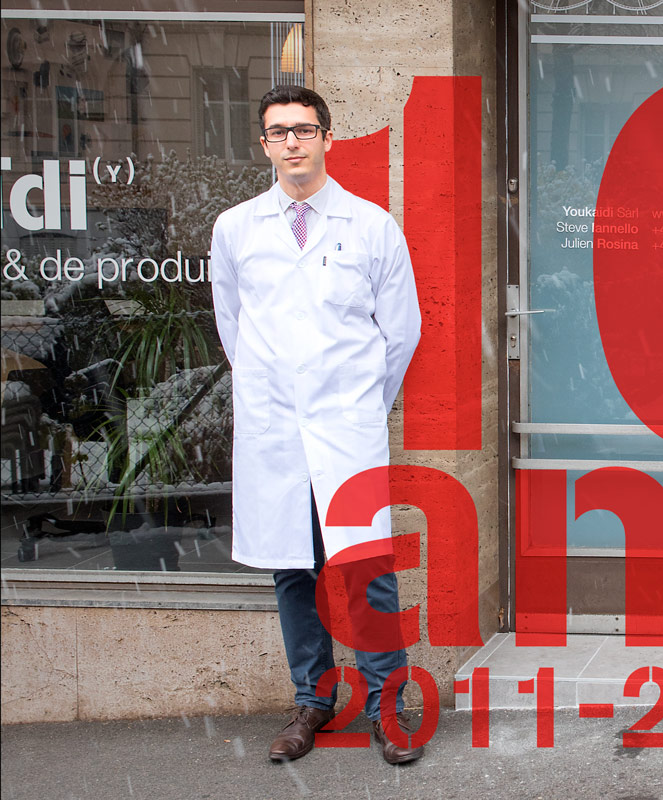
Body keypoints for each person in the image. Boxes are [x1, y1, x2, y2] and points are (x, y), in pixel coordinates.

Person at [210, 85, 423, 765]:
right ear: (264, 145)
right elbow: (233, 332)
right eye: (279, 132)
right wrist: (278, 395)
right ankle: (314, 701)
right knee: (292, 572)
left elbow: (402, 334)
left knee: (368, 573)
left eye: (304, 129)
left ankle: (388, 708)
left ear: (328, 139)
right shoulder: (236, 228)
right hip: (276, 432)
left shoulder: (371, 226)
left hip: (346, 430)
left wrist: (358, 405)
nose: (293, 142)